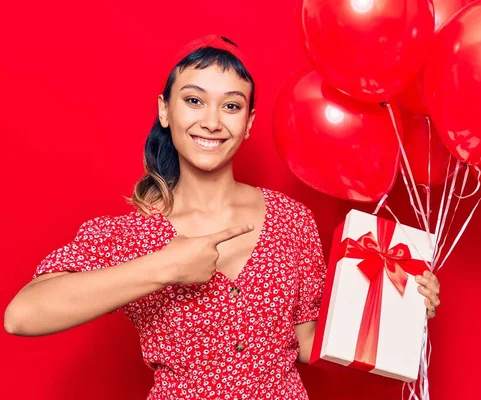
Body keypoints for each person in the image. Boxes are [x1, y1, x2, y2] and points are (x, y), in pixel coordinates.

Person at [4, 34, 442, 400]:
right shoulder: (129, 232)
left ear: (248, 122)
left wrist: (398, 307)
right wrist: (166, 266)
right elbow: (22, 315)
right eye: (194, 100)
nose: (212, 121)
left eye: (231, 106)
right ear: (165, 110)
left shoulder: (292, 220)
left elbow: (306, 340)